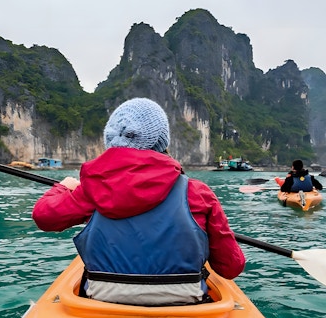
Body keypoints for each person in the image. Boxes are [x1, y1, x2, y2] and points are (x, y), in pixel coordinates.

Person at [32, 97, 245, 306]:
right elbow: (231, 267)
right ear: (161, 141)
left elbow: (44, 217)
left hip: (102, 302)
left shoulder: (91, 190)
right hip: (185, 302)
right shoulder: (198, 193)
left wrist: (64, 187)